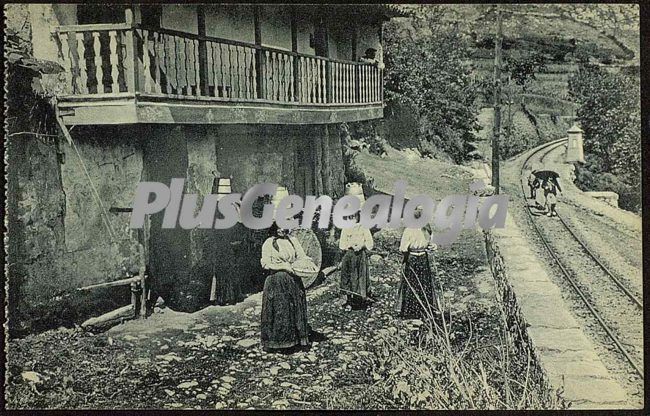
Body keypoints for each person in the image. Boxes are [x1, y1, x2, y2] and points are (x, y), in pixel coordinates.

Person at [260, 223, 318, 352]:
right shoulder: (269, 243)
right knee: (280, 310)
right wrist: (283, 267)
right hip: (276, 281)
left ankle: (295, 340)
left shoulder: (293, 240)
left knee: (294, 308)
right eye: (280, 227)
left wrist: (306, 263)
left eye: (285, 227)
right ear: (274, 227)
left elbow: (302, 256)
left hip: (293, 279)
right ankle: (278, 343)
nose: (283, 230)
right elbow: (265, 263)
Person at [396, 209, 438, 319]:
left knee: (414, 283)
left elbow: (403, 248)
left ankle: (413, 310)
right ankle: (422, 309)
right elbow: (431, 244)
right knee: (423, 283)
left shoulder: (411, 230)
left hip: (414, 258)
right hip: (421, 258)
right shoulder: (424, 229)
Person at [339, 212, 374, 310]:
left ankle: (361, 300)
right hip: (349, 255)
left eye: (355, 215)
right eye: (351, 215)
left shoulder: (363, 227)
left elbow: (369, 242)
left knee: (361, 276)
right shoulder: (346, 227)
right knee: (348, 277)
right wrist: (350, 246)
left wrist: (361, 246)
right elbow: (342, 244)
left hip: (360, 255)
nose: (353, 217)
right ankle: (349, 301)